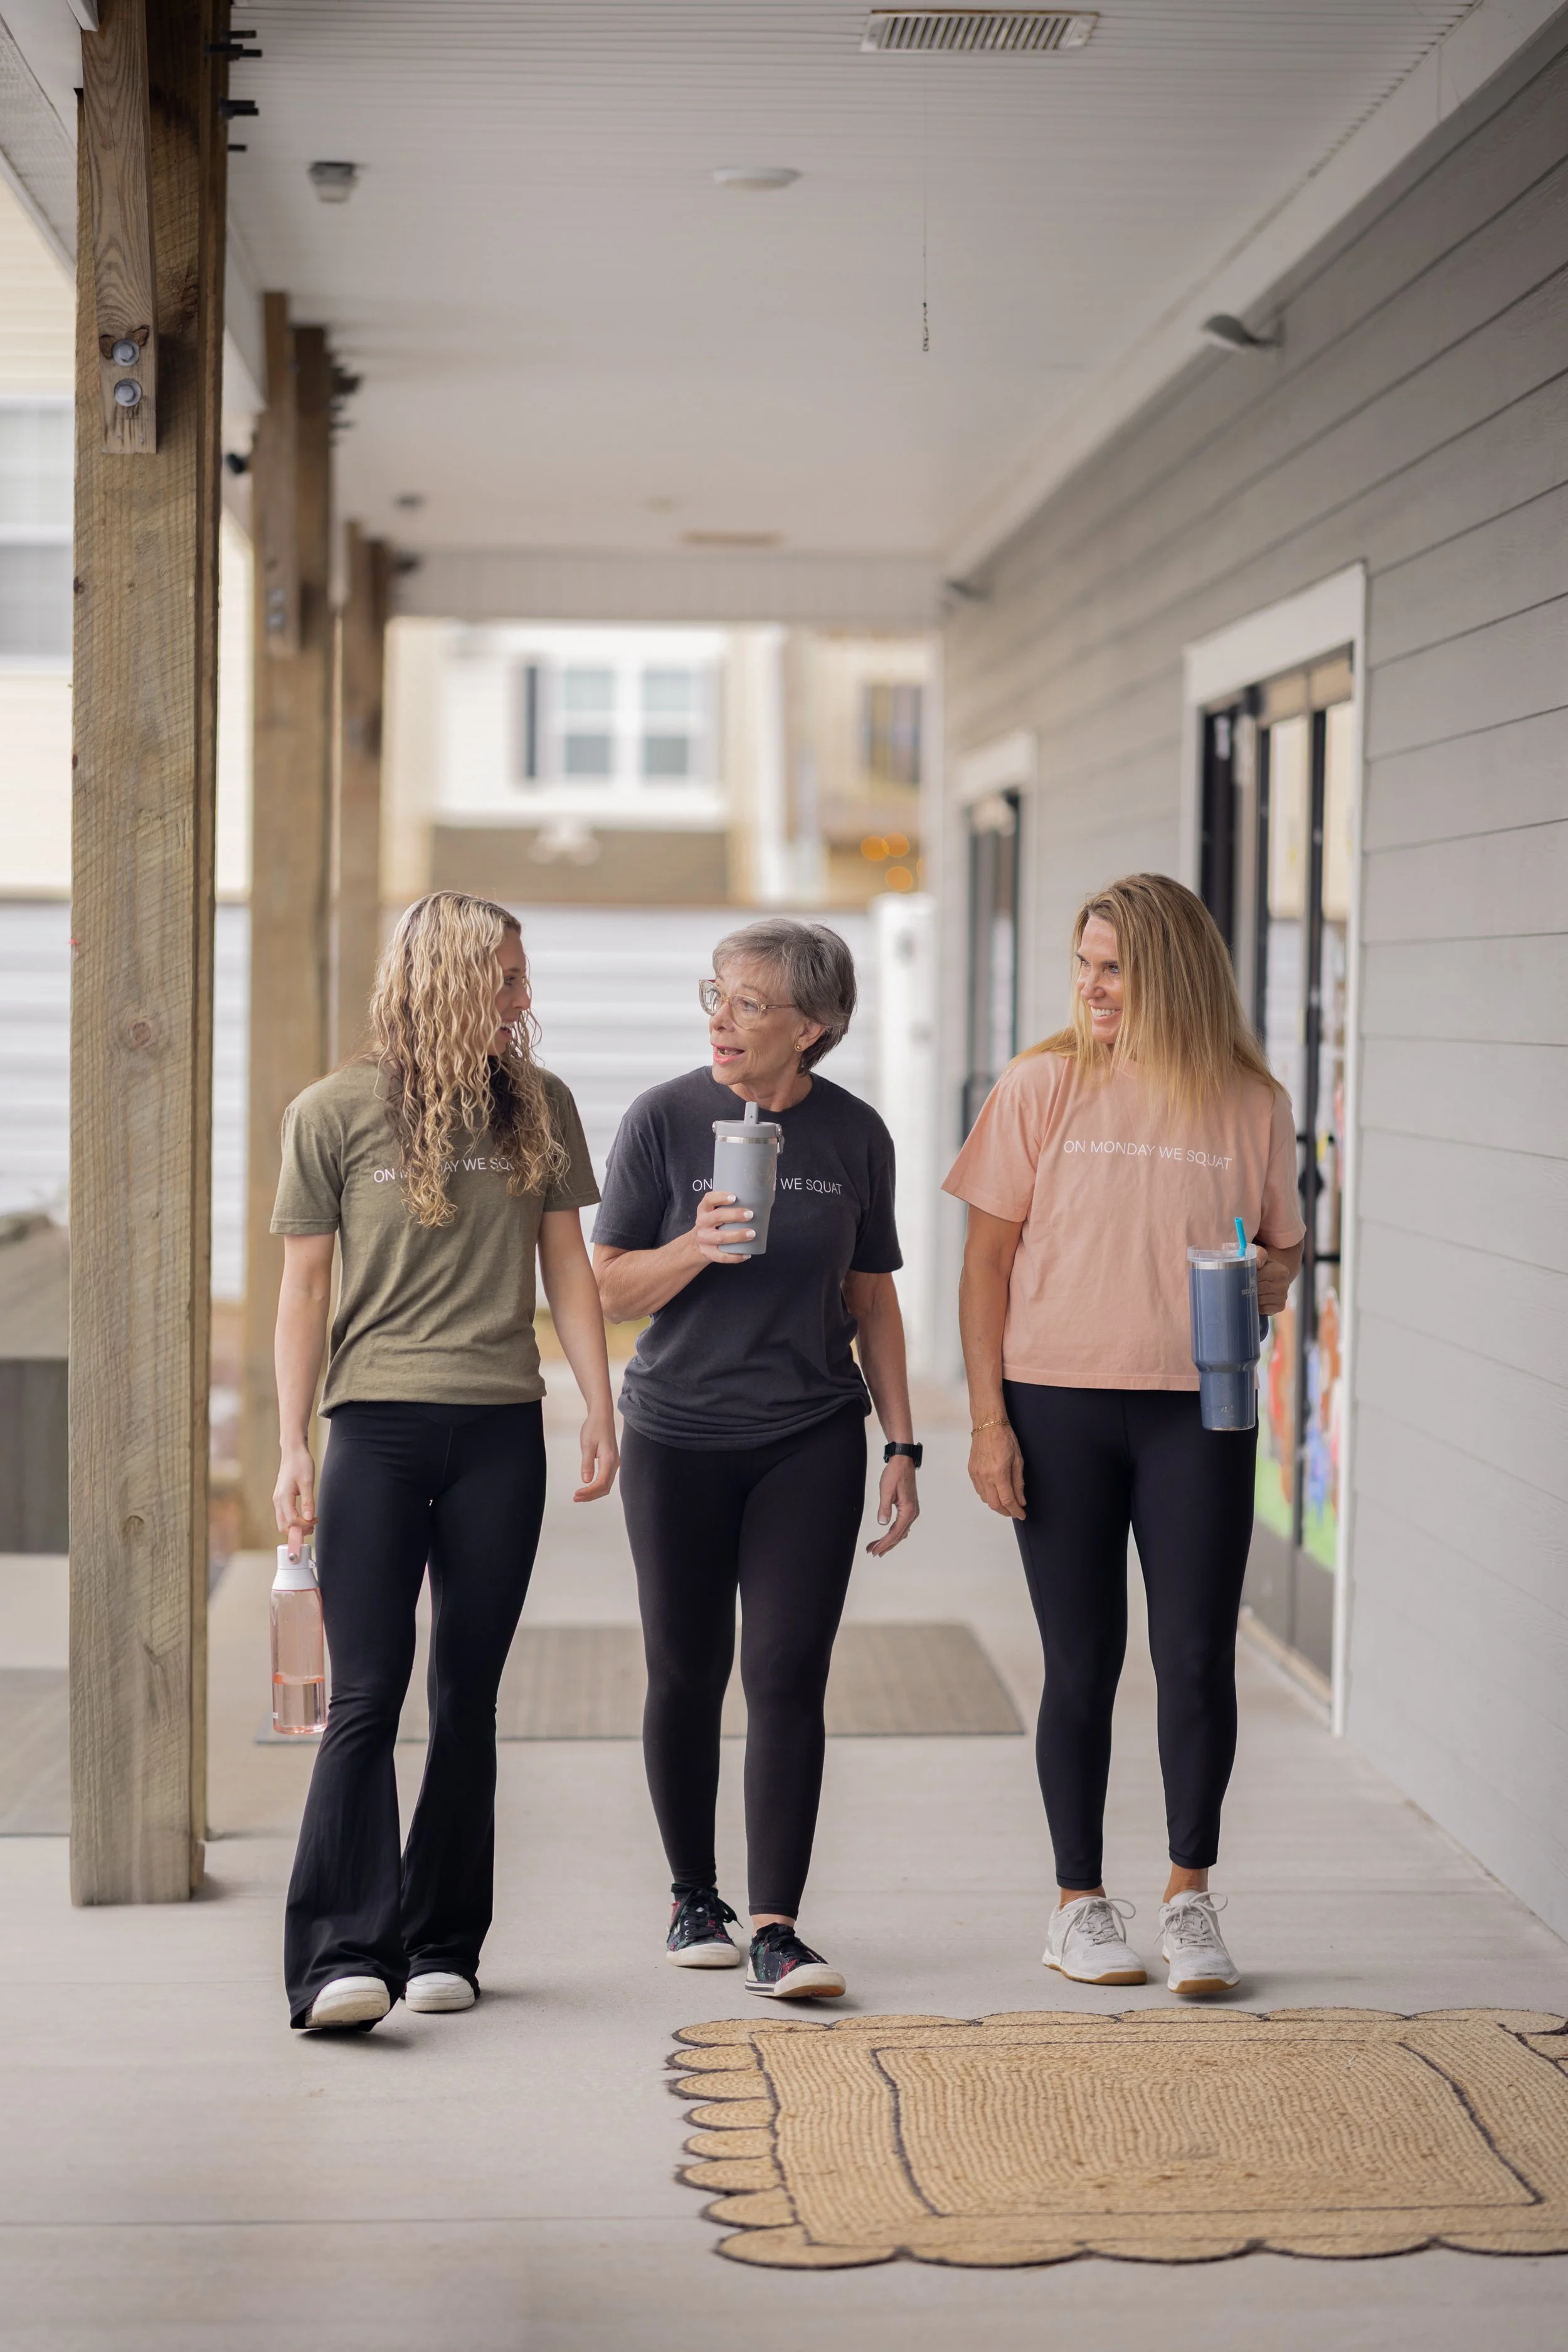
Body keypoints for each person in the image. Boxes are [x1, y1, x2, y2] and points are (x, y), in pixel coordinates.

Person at [945, 874, 1303, 1997]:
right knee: (1083, 1662)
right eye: (1084, 968)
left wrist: (1261, 1281)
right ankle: (1078, 1906)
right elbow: (985, 1268)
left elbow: (1283, 1254)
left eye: (1115, 970)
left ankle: (1190, 1900)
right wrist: (989, 1422)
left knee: (1196, 1657)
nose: (1094, 989)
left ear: (1173, 977)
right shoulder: (1042, 1084)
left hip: (1200, 1411)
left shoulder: (1252, 1103)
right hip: (1057, 1407)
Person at [271, 892, 615, 2031]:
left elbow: (568, 1268)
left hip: (498, 1434)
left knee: (469, 1698)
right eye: (508, 978)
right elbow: (301, 1295)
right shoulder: (331, 1113)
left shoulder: (539, 1106)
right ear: (453, 981)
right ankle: (337, 1960)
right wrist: (290, 1449)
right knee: (367, 1696)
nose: (525, 998)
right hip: (372, 1429)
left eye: (523, 976)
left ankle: (442, 1941)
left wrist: (595, 1404)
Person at [592, 919, 919, 2001]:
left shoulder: (856, 1137)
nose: (721, 1020)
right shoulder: (665, 1119)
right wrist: (696, 1243)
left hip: (809, 1435)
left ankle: (778, 1927)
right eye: (716, 996)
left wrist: (902, 1441)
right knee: (684, 1668)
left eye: (749, 1003)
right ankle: (696, 1897)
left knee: (785, 1674)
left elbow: (873, 1300)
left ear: (812, 1028)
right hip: (678, 1432)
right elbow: (603, 1288)